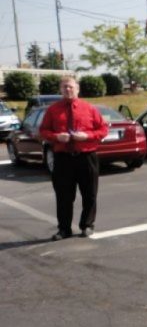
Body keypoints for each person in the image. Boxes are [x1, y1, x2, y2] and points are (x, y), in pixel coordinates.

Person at [39, 76, 108, 240]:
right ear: (60, 90)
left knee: (89, 194)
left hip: (86, 156)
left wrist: (87, 136)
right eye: (64, 87)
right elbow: (43, 131)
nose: (68, 89)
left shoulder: (89, 109)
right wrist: (56, 137)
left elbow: (103, 129)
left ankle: (87, 225)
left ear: (77, 88)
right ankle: (64, 229)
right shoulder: (53, 110)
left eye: (70, 86)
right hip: (63, 159)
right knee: (63, 196)